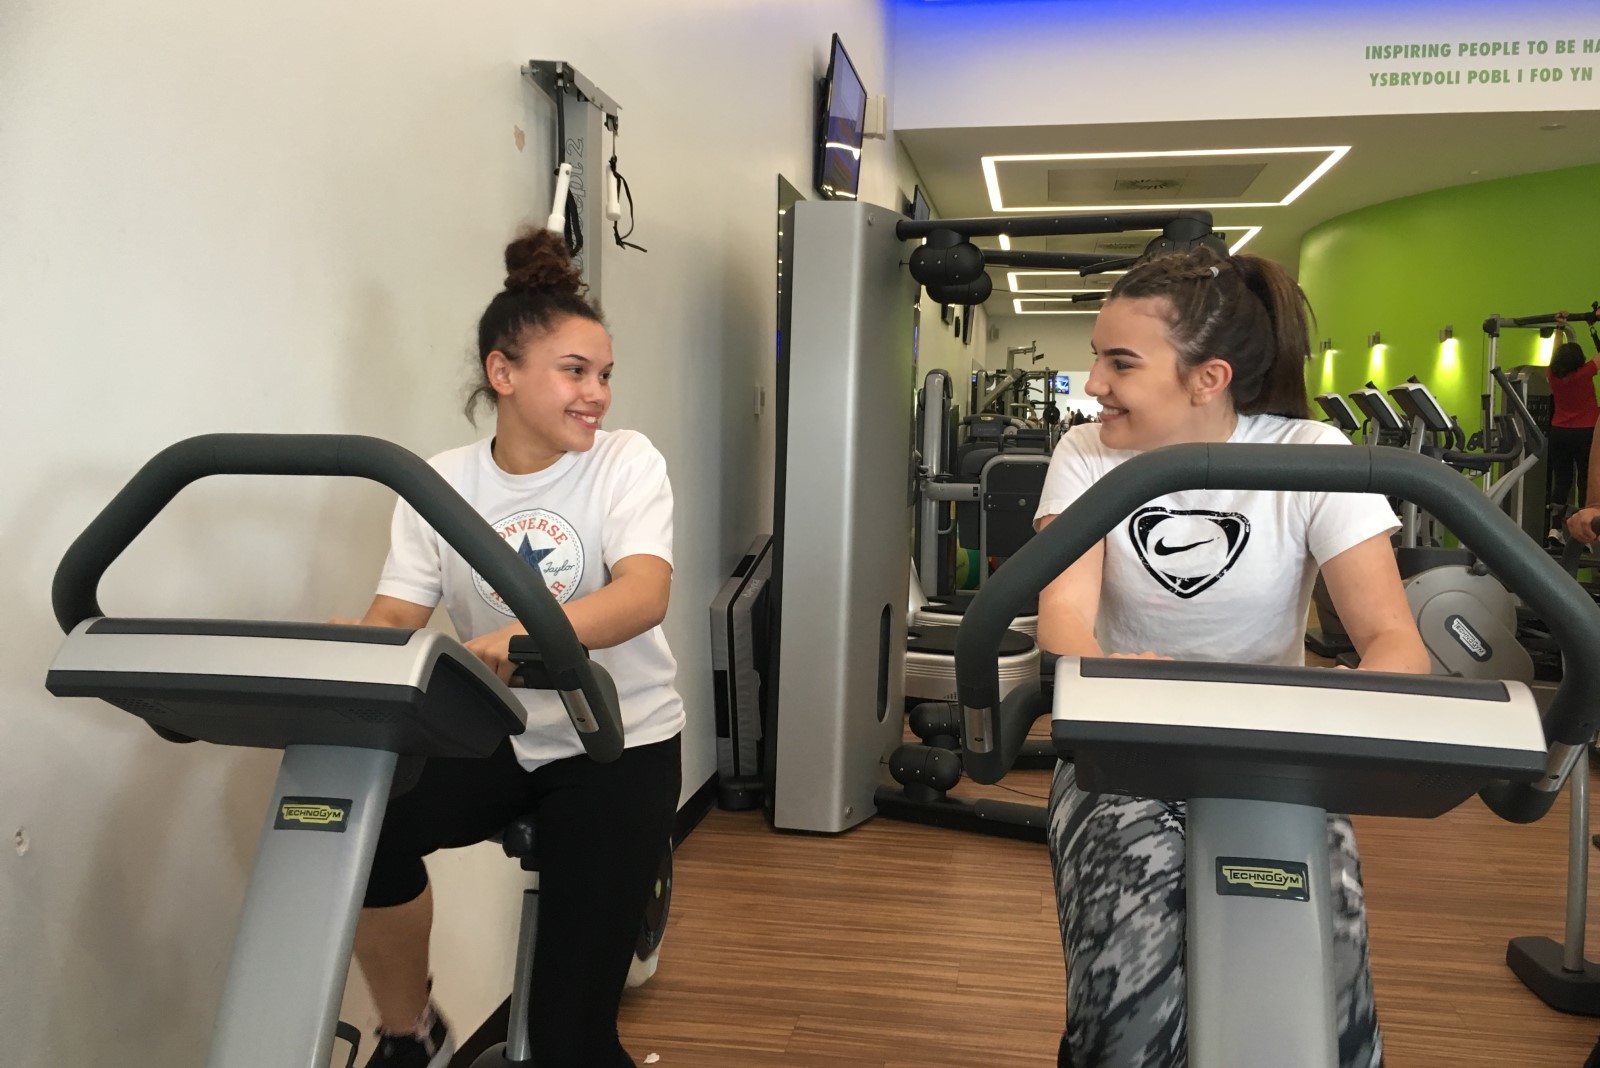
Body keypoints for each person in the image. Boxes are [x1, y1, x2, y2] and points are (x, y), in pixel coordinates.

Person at [1031, 247, 1430, 1068]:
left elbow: (1394, 641)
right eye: (1095, 357)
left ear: (1207, 378)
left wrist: (1349, 713)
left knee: (1327, 981)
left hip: (1276, 757)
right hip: (1124, 750)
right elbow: (1063, 610)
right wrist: (1110, 680)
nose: (1094, 383)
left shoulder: (1311, 452)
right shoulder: (1086, 454)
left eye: (1120, 362)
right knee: (1128, 996)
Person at [337, 227, 684, 1068]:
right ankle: (409, 1031)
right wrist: (341, 656)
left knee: (570, 1042)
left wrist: (520, 637)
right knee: (354, 823)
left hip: (617, 743)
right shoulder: (440, 482)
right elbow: (394, 616)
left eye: (604, 375)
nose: (597, 393)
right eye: (575, 371)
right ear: (504, 373)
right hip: (494, 735)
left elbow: (643, 593)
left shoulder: (624, 464)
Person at [1544, 310, 1600, 545]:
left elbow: (1555, 355)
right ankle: (1586, 534)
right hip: (1585, 432)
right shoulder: (1584, 374)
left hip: (1559, 432)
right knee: (1584, 483)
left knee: (1562, 481)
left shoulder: (1552, 376)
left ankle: (1555, 529)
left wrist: (1559, 328)